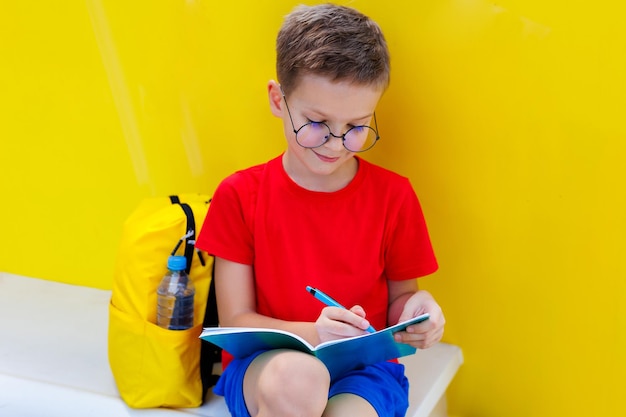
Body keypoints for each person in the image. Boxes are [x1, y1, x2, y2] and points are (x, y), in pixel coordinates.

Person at [195, 4, 445, 417]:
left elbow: (402, 298)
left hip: (364, 370)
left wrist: (419, 313)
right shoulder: (240, 195)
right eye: (316, 122)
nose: (334, 143)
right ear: (279, 99)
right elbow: (237, 319)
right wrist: (315, 333)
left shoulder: (393, 196)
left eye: (356, 127)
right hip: (267, 366)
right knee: (300, 379)